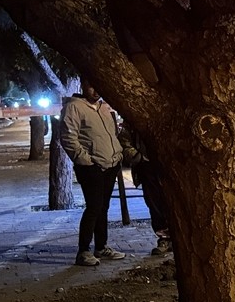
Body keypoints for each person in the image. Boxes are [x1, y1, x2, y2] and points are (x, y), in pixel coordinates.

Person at [58, 79, 125, 266]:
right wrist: (86, 161)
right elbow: (68, 138)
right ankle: (83, 251)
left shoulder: (104, 107)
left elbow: (112, 134)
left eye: (98, 85)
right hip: (91, 167)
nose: (95, 90)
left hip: (110, 165)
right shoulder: (74, 107)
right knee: (94, 207)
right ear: (83, 85)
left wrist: (118, 155)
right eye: (91, 85)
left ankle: (101, 247)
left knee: (103, 207)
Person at [119, 123, 172, 256]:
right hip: (147, 167)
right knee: (155, 204)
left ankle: (178, 238)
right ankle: (164, 238)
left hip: (170, 165)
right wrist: (138, 157)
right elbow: (125, 141)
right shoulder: (135, 122)